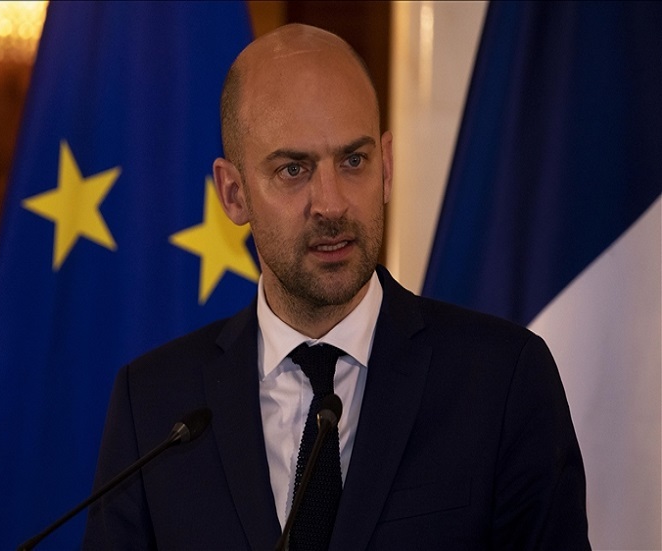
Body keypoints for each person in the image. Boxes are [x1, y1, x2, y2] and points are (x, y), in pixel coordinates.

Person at [82, 23, 589, 550]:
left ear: (386, 167)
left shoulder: (501, 380)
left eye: (353, 161)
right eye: (293, 169)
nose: (331, 203)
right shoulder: (155, 406)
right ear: (233, 193)